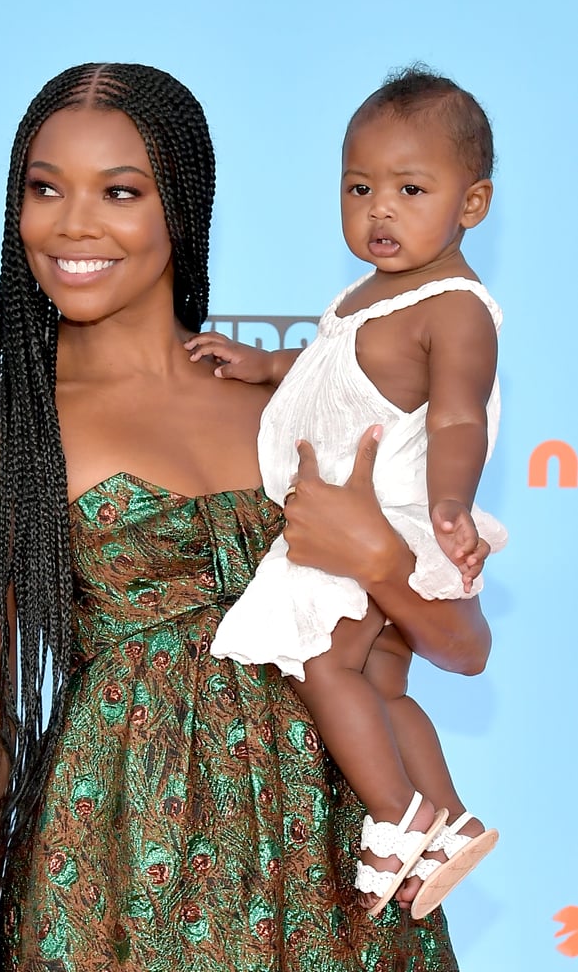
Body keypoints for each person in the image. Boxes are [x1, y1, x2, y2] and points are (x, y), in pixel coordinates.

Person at [0, 62, 492, 972]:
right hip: (111, 891)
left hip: (333, 883)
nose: (72, 223)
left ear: (178, 206)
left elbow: (463, 649)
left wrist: (379, 558)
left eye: (118, 191)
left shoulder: (297, 410)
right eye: (43, 188)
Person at [185, 65, 503, 919]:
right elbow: (335, 376)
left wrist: (446, 507)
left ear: (469, 205)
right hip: (353, 520)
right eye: (359, 186)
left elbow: (460, 418)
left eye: (409, 188)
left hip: (390, 515)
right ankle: (449, 822)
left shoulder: (454, 307)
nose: (378, 209)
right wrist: (266, 365)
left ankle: (395, 815)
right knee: (384, 688)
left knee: (323, 666)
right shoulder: (364, 296)